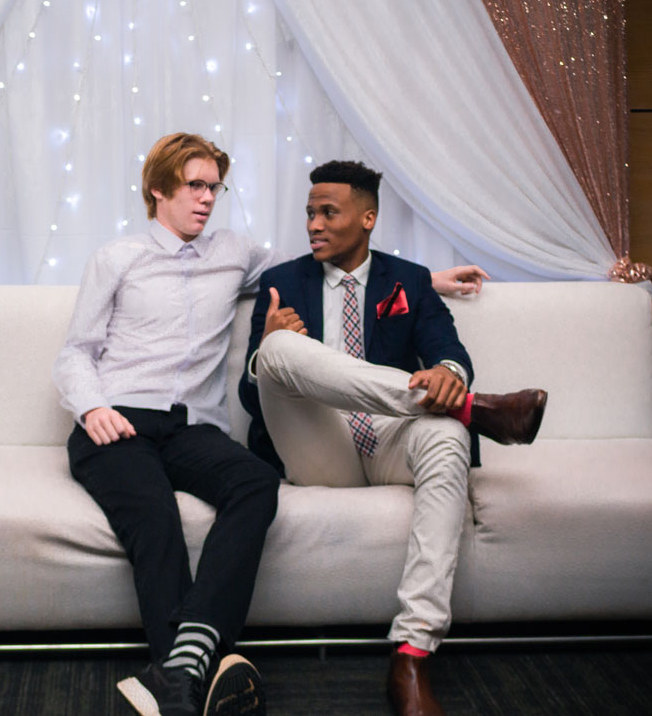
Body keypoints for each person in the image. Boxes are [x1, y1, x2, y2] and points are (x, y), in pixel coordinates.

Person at [237, 159, 547, 716]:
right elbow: (247, 396)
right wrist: (265, 348)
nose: (314, 225)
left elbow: (450, 351)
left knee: (447, 437)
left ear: (368, 218)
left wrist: (448, 375)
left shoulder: (409, 280)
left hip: (387, 441)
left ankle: (413, 651)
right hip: (318, 444)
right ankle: (478, 411)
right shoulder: (283, 283)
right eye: (309, 213)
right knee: (278, 349)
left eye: (328, 212)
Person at [53, 133, 278, 716]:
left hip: (192, 429)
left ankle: (176, 672)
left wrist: (419, 283)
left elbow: (311, 272)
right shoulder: (118, 258)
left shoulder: (234, 252)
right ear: (158, 189)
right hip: (117, 421)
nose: (207, 199)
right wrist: (93, 408)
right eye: (194, 185)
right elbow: (76, 352)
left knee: (256, 481)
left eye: (214, 187)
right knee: (156, 515)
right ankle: (203, 666)